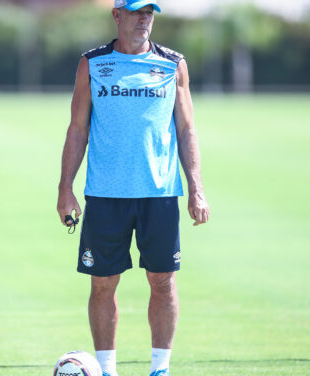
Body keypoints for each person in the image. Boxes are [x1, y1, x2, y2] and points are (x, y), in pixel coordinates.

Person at [56, 1, 210, 375]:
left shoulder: (173, 64)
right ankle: (107, 370)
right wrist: (65, 187)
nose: (144, 19)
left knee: (162, 281)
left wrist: (196, 187)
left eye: (150, 13)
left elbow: (187, 129)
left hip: (158, 193)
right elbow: (78, 128)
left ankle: (160, 369)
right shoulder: (92, 64)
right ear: (117, 16)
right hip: (106, 194)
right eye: (137, 11)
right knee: (103, 284)